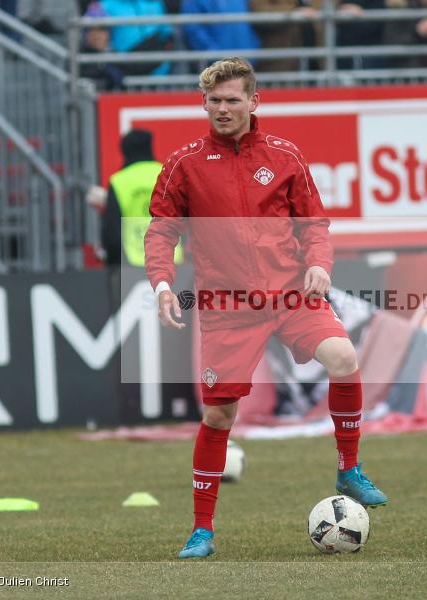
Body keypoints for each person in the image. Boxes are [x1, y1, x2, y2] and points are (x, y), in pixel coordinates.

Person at [144, 57, 388, 559]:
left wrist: (318, 264)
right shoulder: (184, 163)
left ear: (254, 102)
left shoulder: (284, 155)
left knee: (344, 357)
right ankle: (202, 530)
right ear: (203, 103)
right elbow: (161, 231)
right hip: (227, 307)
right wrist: (162, 285)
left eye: (232, 100)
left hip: (289, 293)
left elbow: (313, 224)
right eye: (214, 101)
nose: (222, 109)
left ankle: (348, 469)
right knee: (219, 415)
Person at [103, 128, 182, 266]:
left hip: (134, 262)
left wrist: (112, 263)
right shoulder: (168, 174)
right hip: (171, 260)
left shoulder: (119, 181)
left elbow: (112, 233)